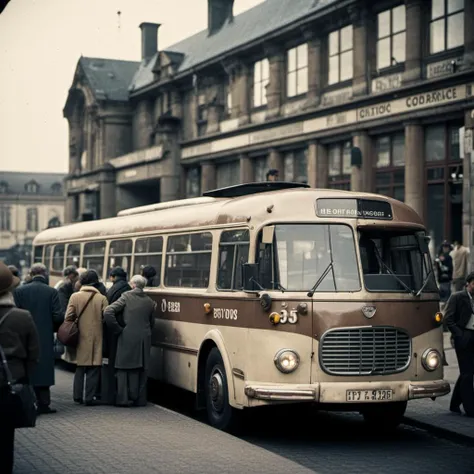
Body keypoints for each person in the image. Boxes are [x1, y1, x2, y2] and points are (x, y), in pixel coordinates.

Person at [0, 262, 40, 474]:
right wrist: (25, 380)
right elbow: (34, 355)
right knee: (6, 436)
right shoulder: (21, 317)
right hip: (11, 383)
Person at [13, 263, 61, 414]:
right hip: (44, 336)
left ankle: (28, 402)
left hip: (24, 335)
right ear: (45, 274)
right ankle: (44, 404)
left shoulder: (20, 291)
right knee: (44, 368)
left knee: (28, 368)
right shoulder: (52, 292)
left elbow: (15, 312)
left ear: (31, 274)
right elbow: (58, 316)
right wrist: (50, 327)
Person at [104, 275, 156, 407]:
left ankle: (123, 399)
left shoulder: (126, 297)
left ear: (132, 285)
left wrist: (117, 328)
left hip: (127, 336)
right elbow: (152, 322)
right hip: (144, 338)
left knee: (122, 368)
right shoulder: (150, 301)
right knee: (138, 368)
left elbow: (108, 311)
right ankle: (138, 399)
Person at [65, 270, 108, 405]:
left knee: (80, 367)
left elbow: (68, 317)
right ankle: (89, 398)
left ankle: (77, 396)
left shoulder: (74, 297)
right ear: (95, 282)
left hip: (79, 336)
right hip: (96, 336)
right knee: (94, 368)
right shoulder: (101, 298)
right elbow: (107, 318)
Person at [444, 272, 474, 417]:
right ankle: (470, 409)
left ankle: (454, 403)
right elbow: (448, 319)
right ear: (468, 283)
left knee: (467, 372)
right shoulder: (457, 297)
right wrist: (459, 334)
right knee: (467, 374)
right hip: (463, 338)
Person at [102, 267, 131, 405]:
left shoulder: (112, 289)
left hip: (113, 329)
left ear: (113, 277)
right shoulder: (127, 289)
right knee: (120, 363)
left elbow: (108, 311)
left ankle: (111, 394)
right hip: (121, 328)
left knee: (113, 362)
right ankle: (119, 395)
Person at [435, 241, 453, 308]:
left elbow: (449, 268)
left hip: (446, 278)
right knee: (443, 295)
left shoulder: (449, 257)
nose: (445, 248)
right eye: (444, 247)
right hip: (441, 278)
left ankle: (444, 308)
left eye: (446, 247)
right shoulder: (440, 256)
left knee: (445, 296)